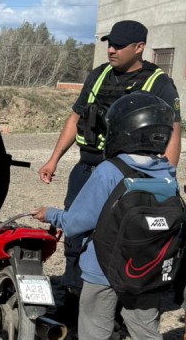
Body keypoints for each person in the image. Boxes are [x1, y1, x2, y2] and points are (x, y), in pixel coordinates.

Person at [37, 19, 181, 319]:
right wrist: (54, 159)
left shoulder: (159, 83)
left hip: (128, 172)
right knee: (75, 228)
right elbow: (76, 117)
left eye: (118, 45)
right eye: (108, 43)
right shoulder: (99, 75)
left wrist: (165, 176)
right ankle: (75, 291)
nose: (111, 50)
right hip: (89, 166)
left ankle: (120, 299)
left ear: (139, 47)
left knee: (124, 232)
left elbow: (173, 131)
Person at [32, 92, 178, 340]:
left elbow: (76, 223)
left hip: (103, 269)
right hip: (147, 268)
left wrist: (52, 215)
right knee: (146, 331)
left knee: (94, 329)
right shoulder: (167, 172)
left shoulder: (110, 170)